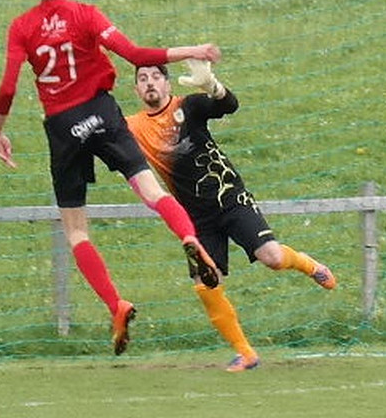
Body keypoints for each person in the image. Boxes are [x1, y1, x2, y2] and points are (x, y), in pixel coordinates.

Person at [0, 0, 221, 356]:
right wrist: (193, 51)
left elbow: (8, 87)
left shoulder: (21, 27)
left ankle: (116, 305)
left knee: (76, 230)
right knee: (152, 191)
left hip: (62, 128)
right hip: (101, 112)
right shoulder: (86, 14)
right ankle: (190, 238)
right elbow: (135, 55)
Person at [127, 60, 337, 372]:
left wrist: (212, 85)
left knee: (272, 258)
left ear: (168, 84)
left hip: (229, 197)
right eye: (143, 78)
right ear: (136, 90)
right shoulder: (133, 127)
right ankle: (245, 353)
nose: (150, 83)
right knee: (206, 283)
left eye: (156, 76)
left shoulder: (189, 106)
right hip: (195, 217)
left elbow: (229, 105)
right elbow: (102, 135)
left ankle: (309, 264)